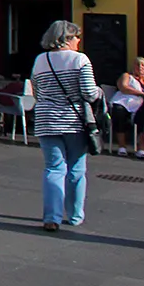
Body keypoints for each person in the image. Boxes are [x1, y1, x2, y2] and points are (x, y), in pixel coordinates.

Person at [31, 19, 101, 232]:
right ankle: (75, 215)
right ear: (67, 38)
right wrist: (100, 93)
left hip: (46, 120)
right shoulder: (80, 60)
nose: (79, 40)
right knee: (76, 169)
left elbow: (37, 91)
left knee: (53, 168)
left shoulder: (40, 60)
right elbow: (89, 93)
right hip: (73, 121)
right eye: (76, 36)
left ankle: (51, 217)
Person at [109, 57, 144, 159]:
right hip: (123, 102)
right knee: (119, 113)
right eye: (137, 65)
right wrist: (141, 93)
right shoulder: (127, 76)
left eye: (143, 65)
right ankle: (122, 146)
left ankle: (141, 148)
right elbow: (123, 87)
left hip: (140, 106)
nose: (140, 67)